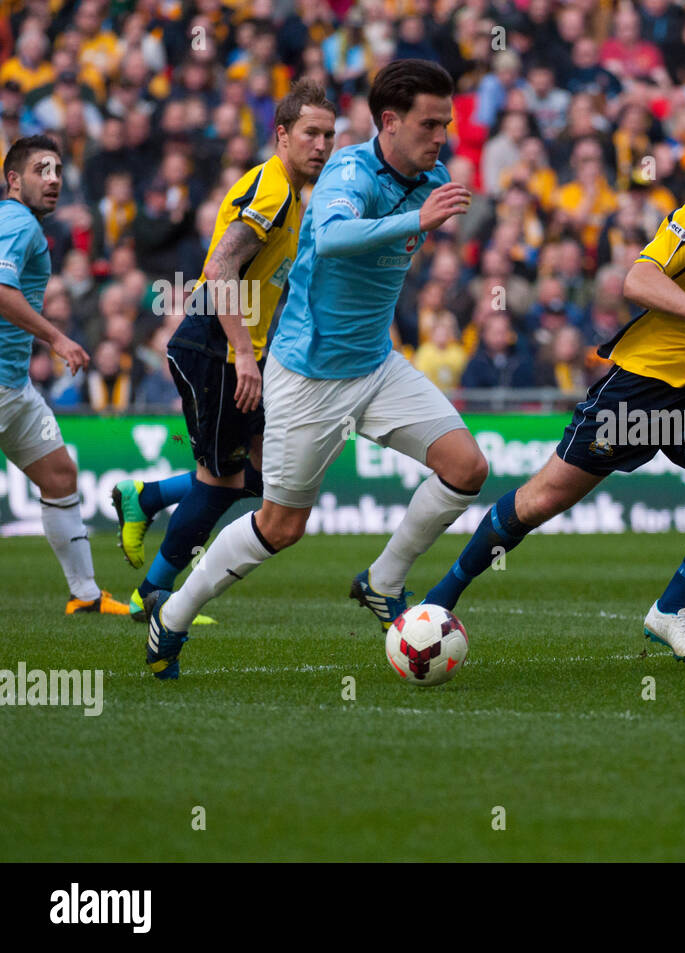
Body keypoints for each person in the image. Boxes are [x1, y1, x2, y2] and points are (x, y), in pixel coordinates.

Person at [422, 113, 685, 667]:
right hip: (640, 389)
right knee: (542, 500)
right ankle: (439, 600)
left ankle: (671, 609)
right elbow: (636, 280)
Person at [143, 61, 488, 679]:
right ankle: (171, 618)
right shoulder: (347, 173)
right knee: (280, 527)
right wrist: (418, 220)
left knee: (467, 468)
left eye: (447, 123)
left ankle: (384, 581)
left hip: (376, 365)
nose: (442, 137)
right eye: (429, 123)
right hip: (309, 376)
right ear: (390, 122)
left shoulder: (431, 177)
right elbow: (327, 239)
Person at [113, 80, 337, 623]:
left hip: (239, 353)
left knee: (265, 480)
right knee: (221, 485)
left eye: (330, 135)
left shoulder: (294, 197)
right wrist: (242, 353)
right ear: (282, 135)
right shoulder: (274, 190)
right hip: (213, 349)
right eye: (311, 133)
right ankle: (150, 598)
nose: (322, 145)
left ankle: (144, 497)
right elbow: (219, 269)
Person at [0, 135, 128, 615]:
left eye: (56, 170)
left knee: (59, 476)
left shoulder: (17, 222)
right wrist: (57, 338)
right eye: (40, 170)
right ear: (14, 179)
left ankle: (87, 596)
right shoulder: (17, 222)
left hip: (13, 387)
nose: (52, 180)